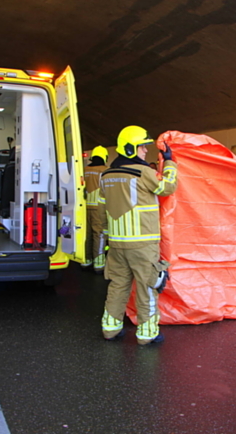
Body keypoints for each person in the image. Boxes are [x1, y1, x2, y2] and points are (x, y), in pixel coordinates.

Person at [98, 126, 178, 345]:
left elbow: (102, 210)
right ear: (131, 148)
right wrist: (169, 163)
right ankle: (147, 333)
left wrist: (106, 240)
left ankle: (110, 329)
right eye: (142, 146)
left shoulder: (106, 176)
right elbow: (168, 187)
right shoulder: (143, 173)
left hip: (117, 244)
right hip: (142, 243)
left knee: (117, 286)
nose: (145, 150)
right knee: (147, 287)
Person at [83, 146, 109, 274]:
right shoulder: (105, 171)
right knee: (99, 234)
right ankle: (99, 263)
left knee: (86, 235)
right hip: (98, 208)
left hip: (83, 208)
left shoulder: (84, 170)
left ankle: (85, 260)